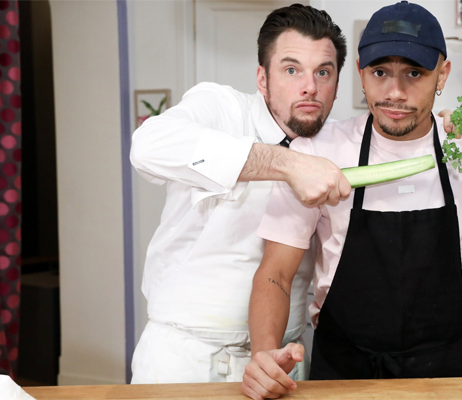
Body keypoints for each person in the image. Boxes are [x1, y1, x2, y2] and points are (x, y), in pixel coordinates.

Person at [242, 1, 462, 399]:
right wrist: (264, 354)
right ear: (362, 74)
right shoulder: (317, 153)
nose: (395, 92)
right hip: (341, 376)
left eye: (414, 73)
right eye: (381, 73)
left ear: (442, 74)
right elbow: (275, 273)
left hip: (444, 379)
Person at [128, 4, 351, 383]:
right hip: (184, 357)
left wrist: (449, 128)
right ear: (262, 78)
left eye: (323, 72)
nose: (309, 86)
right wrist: (287, 164)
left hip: (285, 358)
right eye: (291, 69)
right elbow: (147, 147)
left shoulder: (338, 145)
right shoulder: (221, 108)